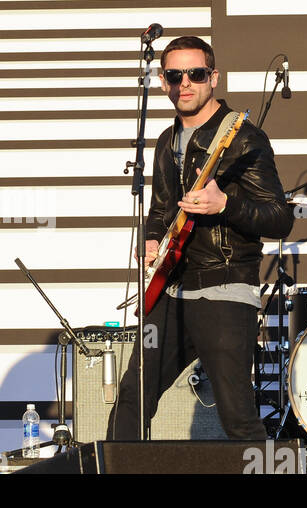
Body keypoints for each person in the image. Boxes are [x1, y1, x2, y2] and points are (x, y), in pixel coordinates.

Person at [108, 36, 294, 440]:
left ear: (214, 77)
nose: (185, 83)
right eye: (175, 75)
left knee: (237, 416)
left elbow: (280, 219)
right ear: (162, 81)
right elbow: (160, 211)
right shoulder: (163, 141)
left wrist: (224, 204)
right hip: (172, 289)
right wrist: (154, 240)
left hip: (224, 288)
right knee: (132, 396)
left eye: (195, 73)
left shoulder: (244, 138)